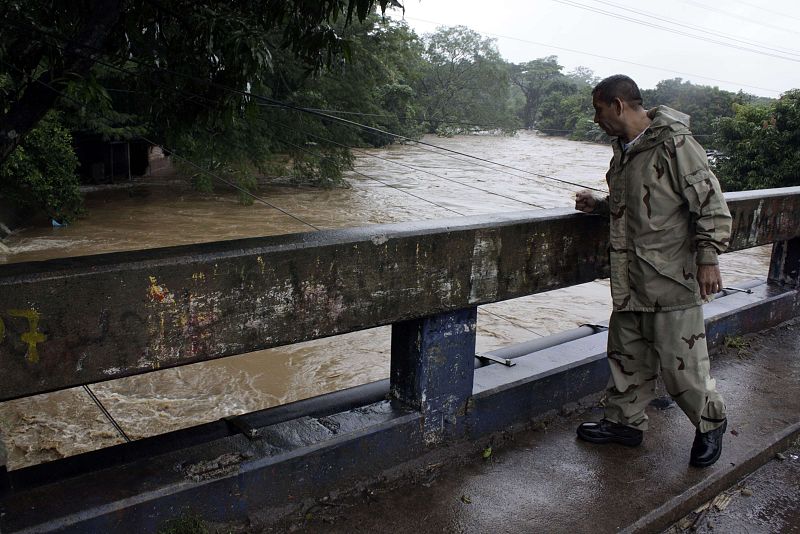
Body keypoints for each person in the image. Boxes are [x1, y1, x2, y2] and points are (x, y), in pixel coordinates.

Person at [574, 74, 731, 468]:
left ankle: (711, 423)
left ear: (619, 105)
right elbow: (643, 204)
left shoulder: (676, 144)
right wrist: (600, 205)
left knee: (683, 366)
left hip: (671, 277)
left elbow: (710, 204)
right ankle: (624, 424)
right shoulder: (625, 150)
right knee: (628, 359)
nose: (596, 119)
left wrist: (708, 257)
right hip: (630, 279)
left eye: (598, 109)